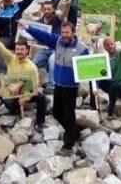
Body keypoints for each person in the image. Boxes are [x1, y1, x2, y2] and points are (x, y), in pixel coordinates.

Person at [19, 21, 90, 156]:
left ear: (73, 33)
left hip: (71, 87)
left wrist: (95, 87)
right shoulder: (57, 41)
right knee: (57, 113)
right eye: (62, 32)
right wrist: (28, 28)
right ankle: (74, 132)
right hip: (58, 85)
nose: (64, 35)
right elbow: (43, 35)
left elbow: (90, 68)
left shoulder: (82, 48)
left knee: (69, 115)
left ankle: (68, 146)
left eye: (67, 32)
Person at [0, 35, 47, 133]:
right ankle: (16, 110)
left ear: (27, 50)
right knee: (7, 101)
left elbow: (34, 86)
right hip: (12, 90)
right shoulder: (11, 59)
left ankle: (40, 122)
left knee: (42, 97)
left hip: (27, 91)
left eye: (22, 49)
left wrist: (26, 98)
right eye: (17, 49)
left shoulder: (32, 67)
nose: (19, 52)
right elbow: (2, 49)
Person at [90, 29, 121, 116]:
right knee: (95, 80)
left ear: (114, 44)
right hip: (112, 85)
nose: (110, 46)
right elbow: (96, 58)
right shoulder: (106, 59)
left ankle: (110, 111)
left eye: (111, 44)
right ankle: (94, 105)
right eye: (107, 45)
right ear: (105, 47)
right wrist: (93, 42)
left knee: (113, 87)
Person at [32, 0, 70, 93]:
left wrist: (67, 6)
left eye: (49, 9)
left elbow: (63, 15)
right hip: (43, 49)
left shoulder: (56, 19)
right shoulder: (38, 22)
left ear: (53, 10)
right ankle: (31, 85)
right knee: (34, 63)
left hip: (55, 49)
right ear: (42, 10)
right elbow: (33, 39)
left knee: (52, 60)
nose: (47, 11)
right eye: (45, 9)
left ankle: (52, 85)